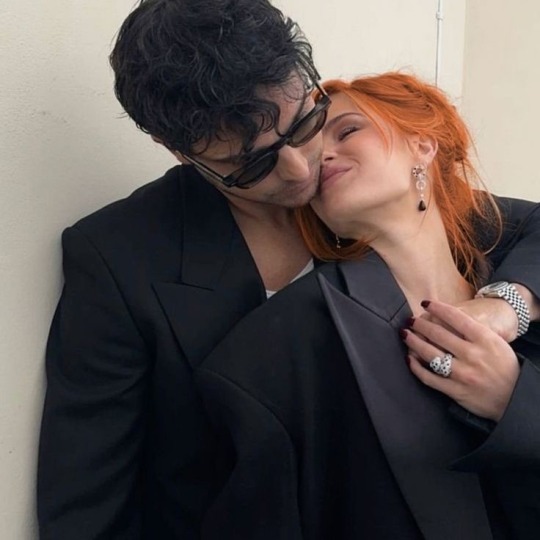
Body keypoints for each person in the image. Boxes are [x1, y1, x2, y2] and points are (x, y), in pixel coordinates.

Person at [37, 1, 540, 538]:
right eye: (251, 164)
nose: (300, 169)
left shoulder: (364, 194)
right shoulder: (118, 258)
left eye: (303, 125)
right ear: (180, 152)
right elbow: (89, 504)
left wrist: (510, 303)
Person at [192, 72, 540, 539]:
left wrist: (513, 400)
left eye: (348, 130)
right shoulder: (278, 350)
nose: (322, 156)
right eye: (315, 149)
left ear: (423, 144)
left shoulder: (523, 294)